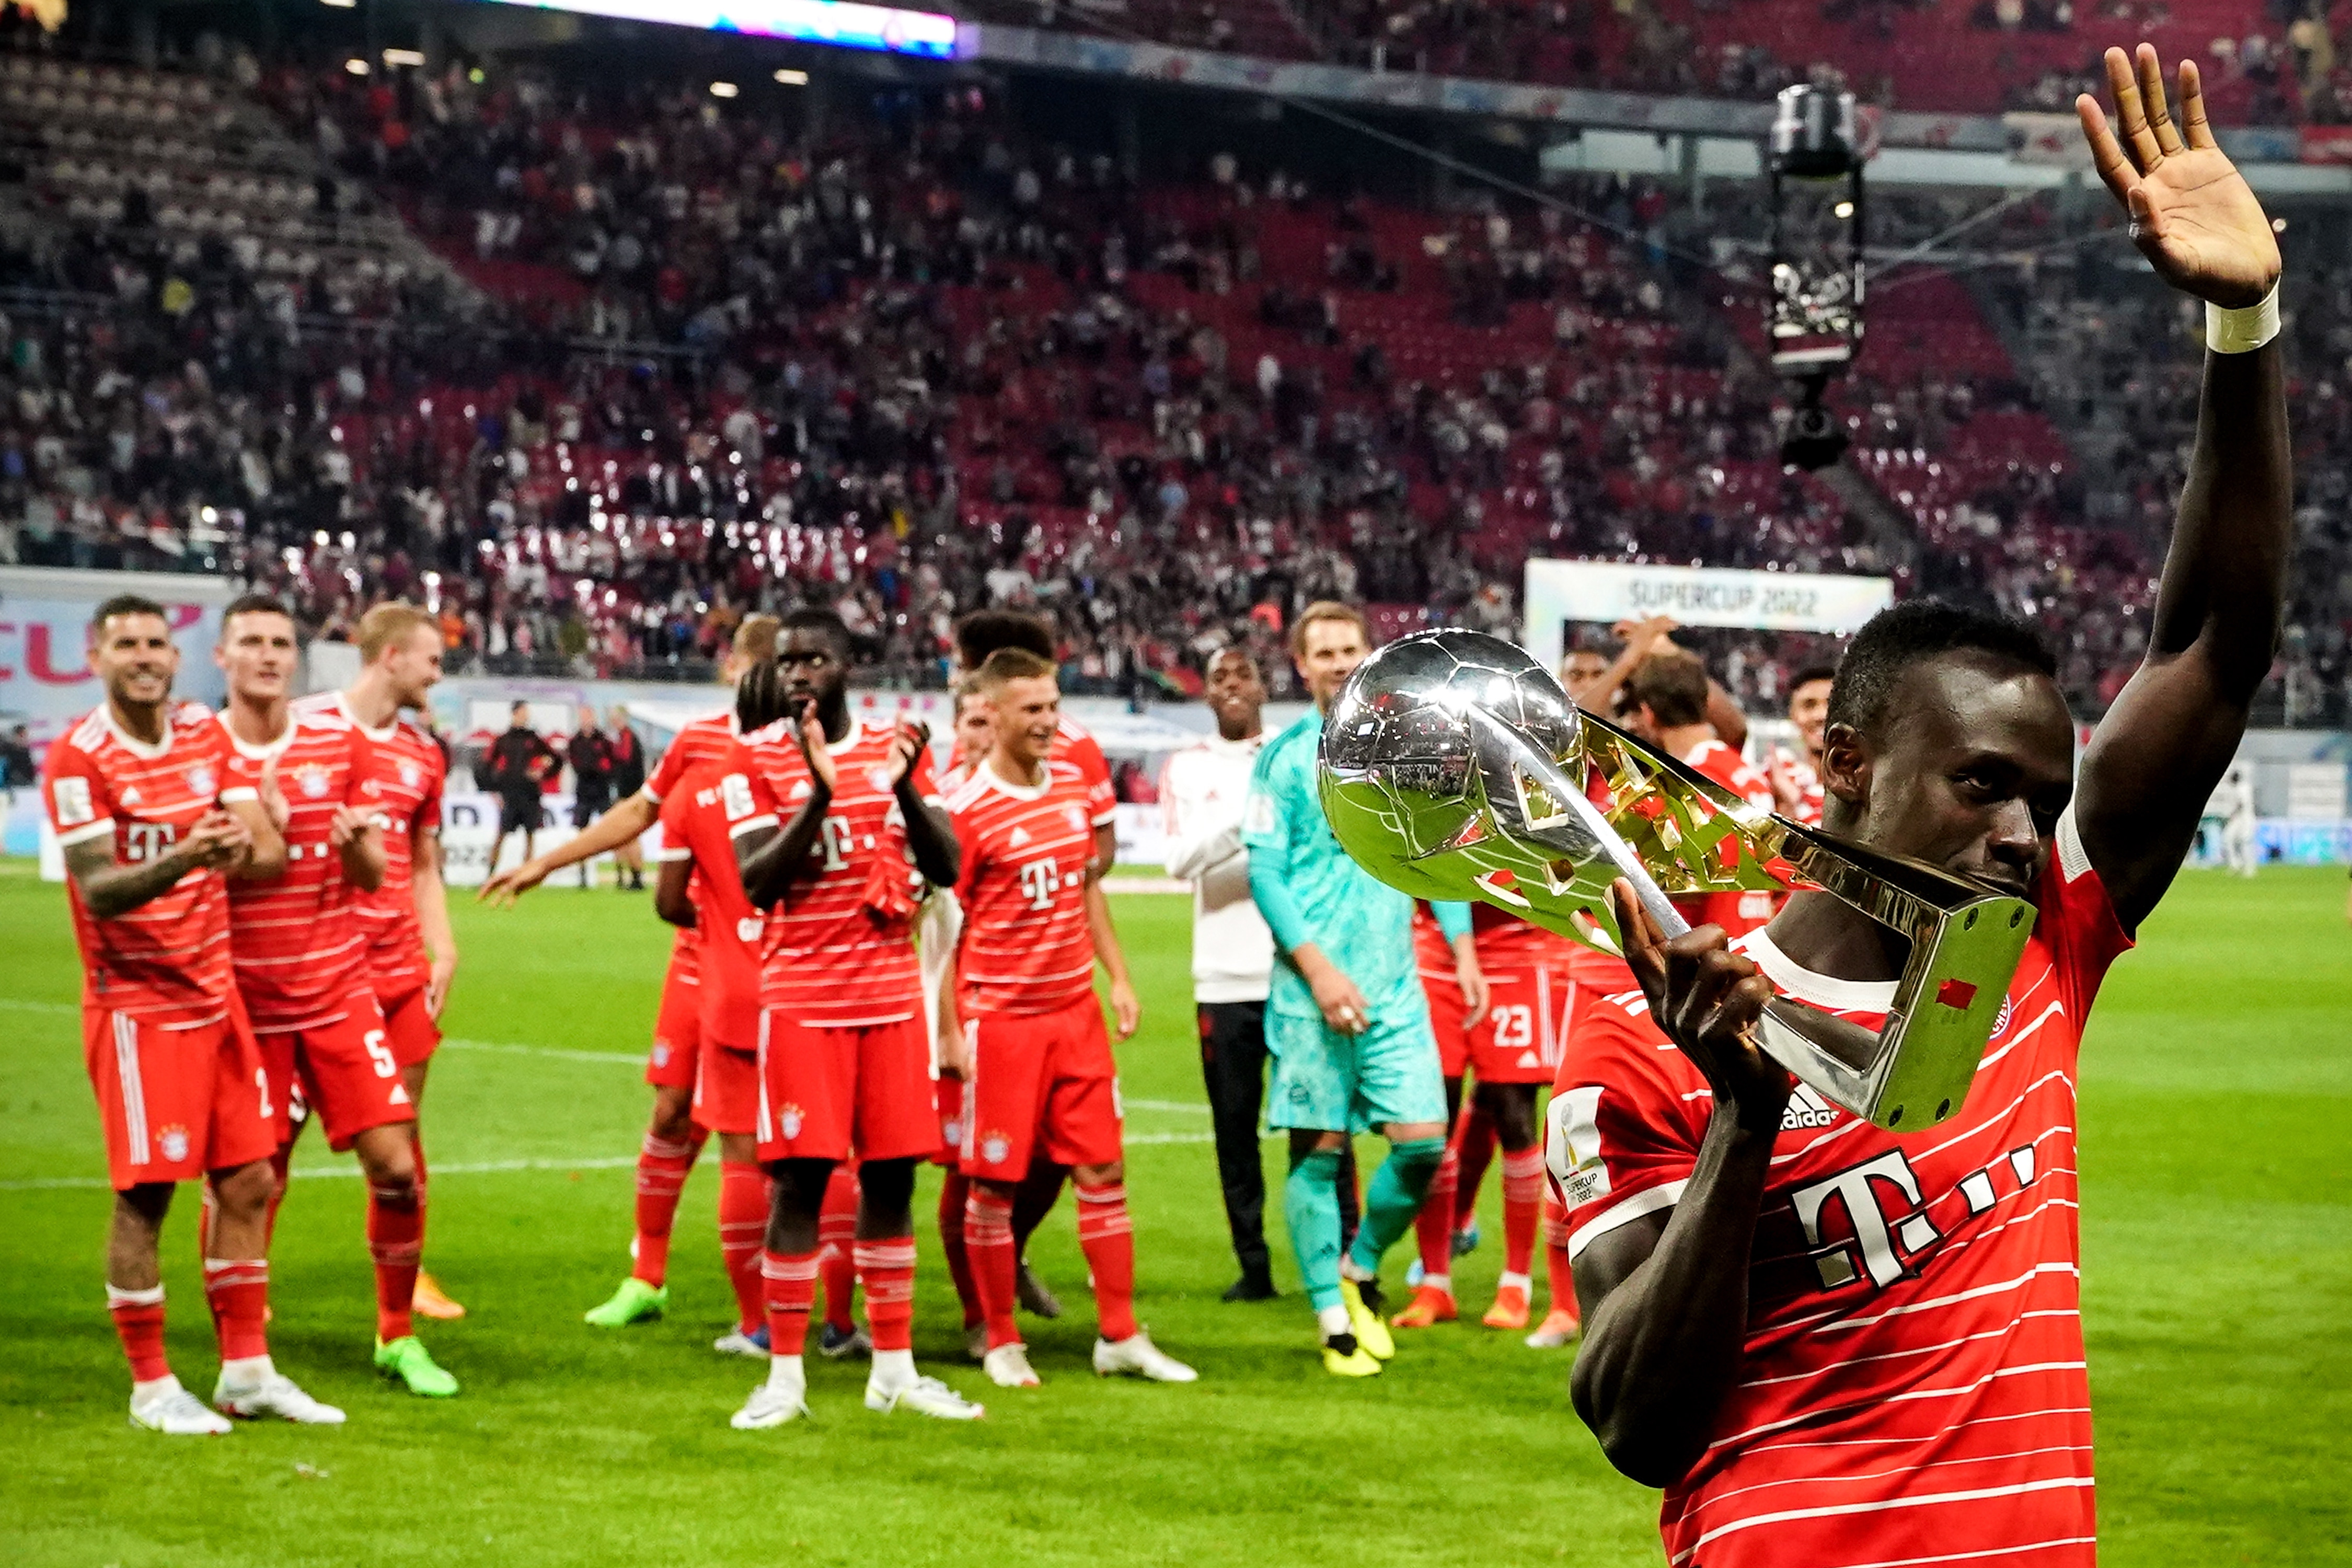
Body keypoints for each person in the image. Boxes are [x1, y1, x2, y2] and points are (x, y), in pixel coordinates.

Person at [1560, 50, 2286, 1565]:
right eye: (1977, 786)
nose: (2021, 833)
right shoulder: (1652, 1025)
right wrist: (1740, 1127)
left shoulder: (2037, 948)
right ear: (1841, 764)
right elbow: (1635, 1422)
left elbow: (2209, 651)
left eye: (2038, 793)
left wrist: (2241, 324)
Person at [42, 593, 333, 1433]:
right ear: (96, 658)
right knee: (147, 1197)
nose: (144, 656)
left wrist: (254, 840)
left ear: (177, 658)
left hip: (219, 999)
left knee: (250, 1179)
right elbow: (97, 890)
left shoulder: (206, 733)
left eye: (156, 644)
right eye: (126, 643)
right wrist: (188, 856)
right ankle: (151, 1386)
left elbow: (261, 850)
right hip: (139, 1008)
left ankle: (246, 1370)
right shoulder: (78, 759)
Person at [726, 610, 985, 1425]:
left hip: (890, 1002)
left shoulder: (896, 747)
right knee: (799, 1184)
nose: (800, 673)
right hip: (803, 1005)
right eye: (788, 661)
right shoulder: (755, 759)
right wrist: (820, 799)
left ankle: (895, 1371)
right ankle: (786, 1378)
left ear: (847, 668)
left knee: (892, 1178)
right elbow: (757, 884)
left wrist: (904, 787)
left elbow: (947, 865)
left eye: (816, 660)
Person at [213, 597, 454, 1398]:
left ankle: (396, 1335)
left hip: (338, 990)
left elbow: (375, 872)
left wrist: (357, 851)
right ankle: (243, 1343)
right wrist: (262, 838)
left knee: (396, 1165)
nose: (269, 655)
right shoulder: (200, 749)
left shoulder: (336, 742)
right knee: (251, 1179)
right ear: (223, 657)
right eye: (252, 642)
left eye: (281, 642)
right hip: (248, 1003)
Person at [946, 647, 1196, 1389]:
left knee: (1104, 1169)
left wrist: (1116, 976)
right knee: (993, 1186)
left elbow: (1087, 893)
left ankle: (1119, 1335)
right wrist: (949, 1028)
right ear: (990, 715)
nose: (1050, 722)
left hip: (1073, 1016)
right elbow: (940, 929)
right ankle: (998, 1338)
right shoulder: (962, 812)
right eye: (1034, 710)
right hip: (1001, 1023)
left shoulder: (1072, 793)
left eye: (1054, 706)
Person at [1243, 601, 1475, 1378]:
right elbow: (1266, 876)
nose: (1340, 662)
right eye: (1325, 652)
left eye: (1350, 649)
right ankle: (1333, 1321)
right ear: (1303, 666)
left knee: (1423, 1146)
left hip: (1395, 988)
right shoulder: (1281, 761)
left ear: (1369, 655)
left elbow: (1431, 860)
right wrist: (1319, 970)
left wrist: (1463, 950)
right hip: (1312, 993)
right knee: (1319, 1155)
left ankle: (1361, 1265)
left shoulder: (1405, 754)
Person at [557, 616, 781, 1328]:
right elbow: (639, 812)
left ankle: (805, 1286)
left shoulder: (808, 751)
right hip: (701, 961)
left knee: (791, 1134)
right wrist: (549, 862)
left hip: (788, 965)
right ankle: (647, 1275)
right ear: (732, 667)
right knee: (672, 1112)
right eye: (755, 663)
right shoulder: (699, 742)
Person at [938, 609, 1122, 1327]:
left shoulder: (1075, 765)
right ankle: (977, 1315)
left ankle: (1007, 1267)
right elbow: (937, 915)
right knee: (972, 1166)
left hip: (1055, 1001)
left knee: (1051, 1157)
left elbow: (1089, 866)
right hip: (973, 1001)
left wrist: (1047, 867)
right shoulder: (949, 786)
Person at [293, 602, 463, 1325]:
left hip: (398, 967)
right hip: (312, 968)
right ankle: (242, 1282)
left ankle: (408, 1277)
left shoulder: (425, 752)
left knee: (402, 1135)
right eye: (431, 659)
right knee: (268, 1144)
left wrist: (444, 946)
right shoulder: (303, 728)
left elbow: (424, 864)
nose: (438, 673)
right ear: (390, 656)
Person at [1157, 647, 1283, 1302]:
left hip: (1296, 971)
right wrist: (1251, 818)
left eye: (1244, 675)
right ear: (1206, 695)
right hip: (1224, 978)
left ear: (1264, 686)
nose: (1233, 686)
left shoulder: (1293, 755)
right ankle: (1254, 1266)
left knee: (1323, 1128)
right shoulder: (1186, 767)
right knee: (1235, 1131)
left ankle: (1343, 1270)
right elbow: (1179, 860)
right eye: (1219, 679)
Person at [1394, 903, 1564, 1334]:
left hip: (1516, 948)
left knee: (1514, 1115)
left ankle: (1516, 1283)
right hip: (1437, 954)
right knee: (1437, 1117)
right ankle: (1436, 1283)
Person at [1622, 651, 1778, 939]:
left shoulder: (1677, 791)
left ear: (1648, 713)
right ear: (1706, 705)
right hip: (1755, 947)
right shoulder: (1748, 775)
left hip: (1712, 963)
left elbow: (1657, 895)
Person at [485, 703, 560, 872]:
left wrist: (542, 773)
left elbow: (555, 759)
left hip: (530, 795)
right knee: (501, 835)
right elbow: (488, 765)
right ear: (515, 714)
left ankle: (526, 872)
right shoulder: (504, 740)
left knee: (530, 835)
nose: (527, 715)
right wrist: (494, 789)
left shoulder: (533, 739)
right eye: (524, 712)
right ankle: (490, 872)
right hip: (510, 795)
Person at [1766, 664, 1837, 827]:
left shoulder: (1869, 787)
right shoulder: (1773, 781)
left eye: (1832, 704)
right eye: (1809, 705)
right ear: (1793, 715)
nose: (1822, 715)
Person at [567, 710, 617, 887]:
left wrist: (602, 773)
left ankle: (620, 873)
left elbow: (613, 764)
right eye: (584, 717)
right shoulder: (575, 742)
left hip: (602, 792)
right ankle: (582, 876)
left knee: (613, 830)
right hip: (584, 793)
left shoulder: (603, 740)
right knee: (581, 834)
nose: (586, 721)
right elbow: (575, 765)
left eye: (589, 717)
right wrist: (592, 769)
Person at [606, 706, 647, 891]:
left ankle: (636, 875)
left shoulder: (628, 737)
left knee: (630, 836)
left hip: (629, 794)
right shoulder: (625, 737)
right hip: (628, 793)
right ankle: (630, 875)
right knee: (626, 837)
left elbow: (626, 762)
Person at [2213, 761, 2258, 875]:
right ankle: (2235, 864)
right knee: (2227, 839)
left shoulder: (2243, 788)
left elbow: (2241, 805)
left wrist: (2231, 815)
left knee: (2245, 842)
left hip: (2245, 818)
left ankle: (2249, 869)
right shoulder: (2237, 788)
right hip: (2238, 818)